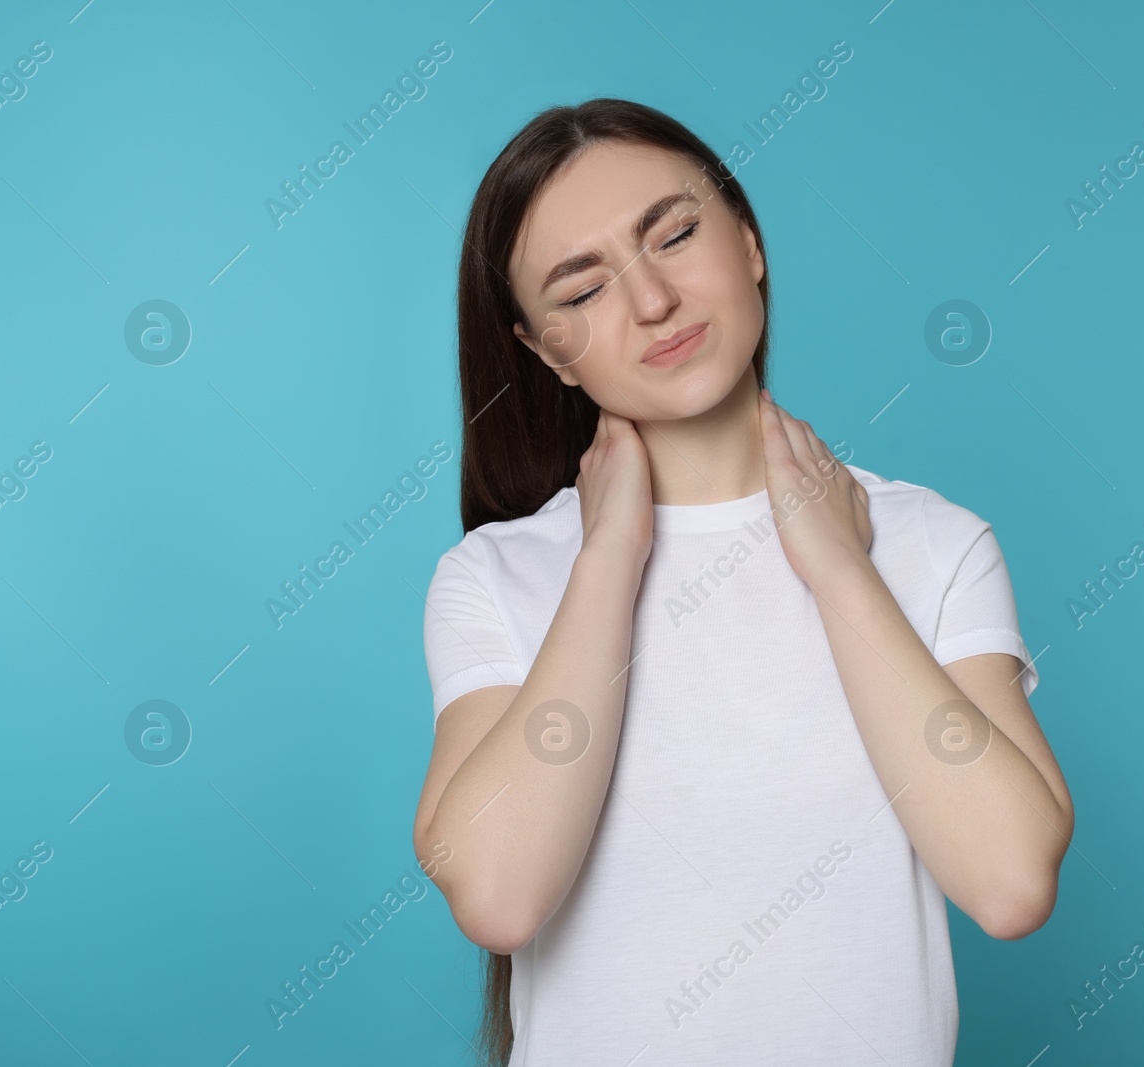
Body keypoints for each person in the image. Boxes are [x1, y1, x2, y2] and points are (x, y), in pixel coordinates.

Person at [411, 97, 1073, 1066]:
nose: (651, 302)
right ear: (544, 349)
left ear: (749, 240)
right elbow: (501, 896)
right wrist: (609, 559)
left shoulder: (932, 544)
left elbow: (1011, 881)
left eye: (673, 235)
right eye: (581, 290)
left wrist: (841, 567)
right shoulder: (498, 576)